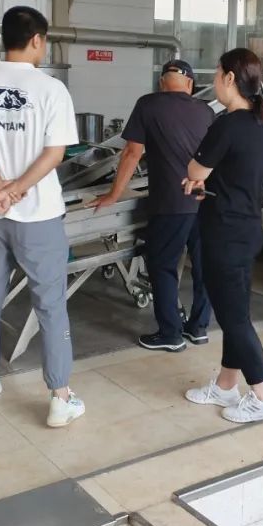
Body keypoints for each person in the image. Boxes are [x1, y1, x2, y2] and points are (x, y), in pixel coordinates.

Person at [0, 6, 85, 427]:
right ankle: (60, 399)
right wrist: (16, 189)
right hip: (38, 215)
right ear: (37, 40)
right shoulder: (50, 89)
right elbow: (55, 154)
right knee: (50, 305)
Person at [182, 48, 263, 423]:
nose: (213, 81)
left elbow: (196, 168)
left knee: (234, 318)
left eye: (217, 73)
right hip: (245, 228)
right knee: (234, 311)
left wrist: (197, 179)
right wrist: (205, 184)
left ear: (229, 78)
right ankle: (226, 385)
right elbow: (228, 175)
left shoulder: (227, 124)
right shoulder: (258, 123)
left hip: (226, 233)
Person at [94, 59, 214, 352]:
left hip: (171, 203)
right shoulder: (206, 111)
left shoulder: (148, 104)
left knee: (162, 265)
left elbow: (132, 153)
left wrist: (113, 195)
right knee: (204, 267)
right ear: (190, 83)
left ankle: (171, 334)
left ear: (162, 82)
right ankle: (199, 328)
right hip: (204, 201)